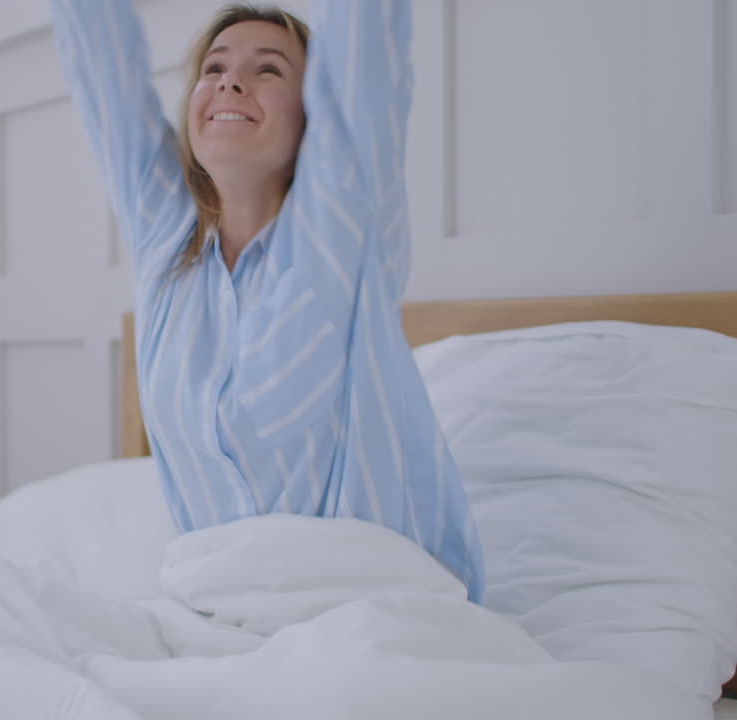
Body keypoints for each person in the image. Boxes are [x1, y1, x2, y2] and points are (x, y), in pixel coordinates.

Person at [51, 0, 485, 602]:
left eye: (269, 70)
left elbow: (366, 43)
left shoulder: (341, 229)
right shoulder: (166, 244)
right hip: (217, 616)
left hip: (369, 615)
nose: (231, 79)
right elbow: (102, 69)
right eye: (214, 67)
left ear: (316, 115)